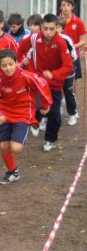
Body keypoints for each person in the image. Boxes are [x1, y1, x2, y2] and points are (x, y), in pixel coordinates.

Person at [0, 49, 52, 184]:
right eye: (4, 65)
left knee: (16, 148)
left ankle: (28, 127)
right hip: (4, 114)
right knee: (3, 146)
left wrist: (46, 105)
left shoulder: (26, 76)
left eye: (11, 64)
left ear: (17, 63)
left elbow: (43, 85)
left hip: (23, 114)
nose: (8, 68)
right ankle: (13, 172)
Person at [17, 14, 74, 152]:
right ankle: (35, 121)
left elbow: (69, 66)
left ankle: (50, 139)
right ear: (41, 27)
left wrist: (53, 74)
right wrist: (19, 60)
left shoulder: (61, 42)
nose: (48, 32)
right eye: (45, 28)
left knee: (54, 112)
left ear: (57, 28)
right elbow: (20, 49)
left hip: (54, 82)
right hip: (36, 79)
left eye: (52, 29)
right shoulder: (34, 38)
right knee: (33, 104)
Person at [58, 0, 87, 97]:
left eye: (68, 5)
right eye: (63, 5)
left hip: (74, 56)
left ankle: (72, 103)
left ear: (72, 7)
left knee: (74, 80)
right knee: (59, 79)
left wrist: (70, 47)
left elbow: (83, 41)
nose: (65, 7)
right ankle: (60, 102)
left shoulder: (78, 22)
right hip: (58, 56)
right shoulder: (56, 21)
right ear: (60, 7)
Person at [57, 18, 79, 126]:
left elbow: (73, 55)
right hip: (54, 71)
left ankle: (72, 113)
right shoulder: (46, 39)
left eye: (58, 27)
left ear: (62, 28)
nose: (55, 30)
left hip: (67, 71)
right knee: (55, 93)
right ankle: (57, 111)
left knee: (68, 92)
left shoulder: (66, 39)